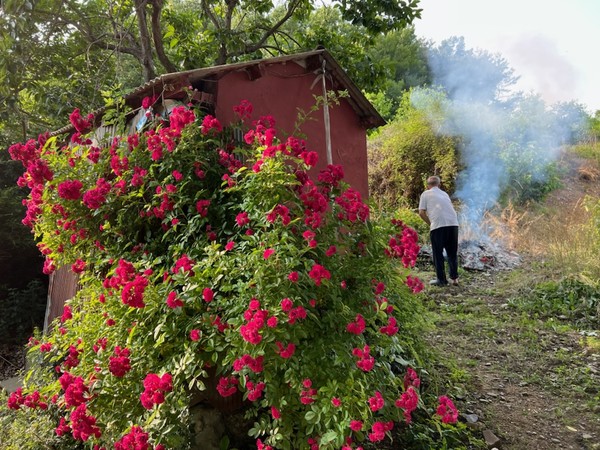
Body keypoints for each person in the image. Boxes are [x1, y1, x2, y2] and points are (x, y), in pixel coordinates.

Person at [418, 176, 459, 286]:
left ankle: (441, 280)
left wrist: (430, 223)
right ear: (439, 185)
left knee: (438, 253)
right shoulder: (444, 194)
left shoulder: (425, 194)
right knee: (452, 253)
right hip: (453, 224)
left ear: (428, 185)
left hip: (438, 225)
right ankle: (454, 278)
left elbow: (421, 212)